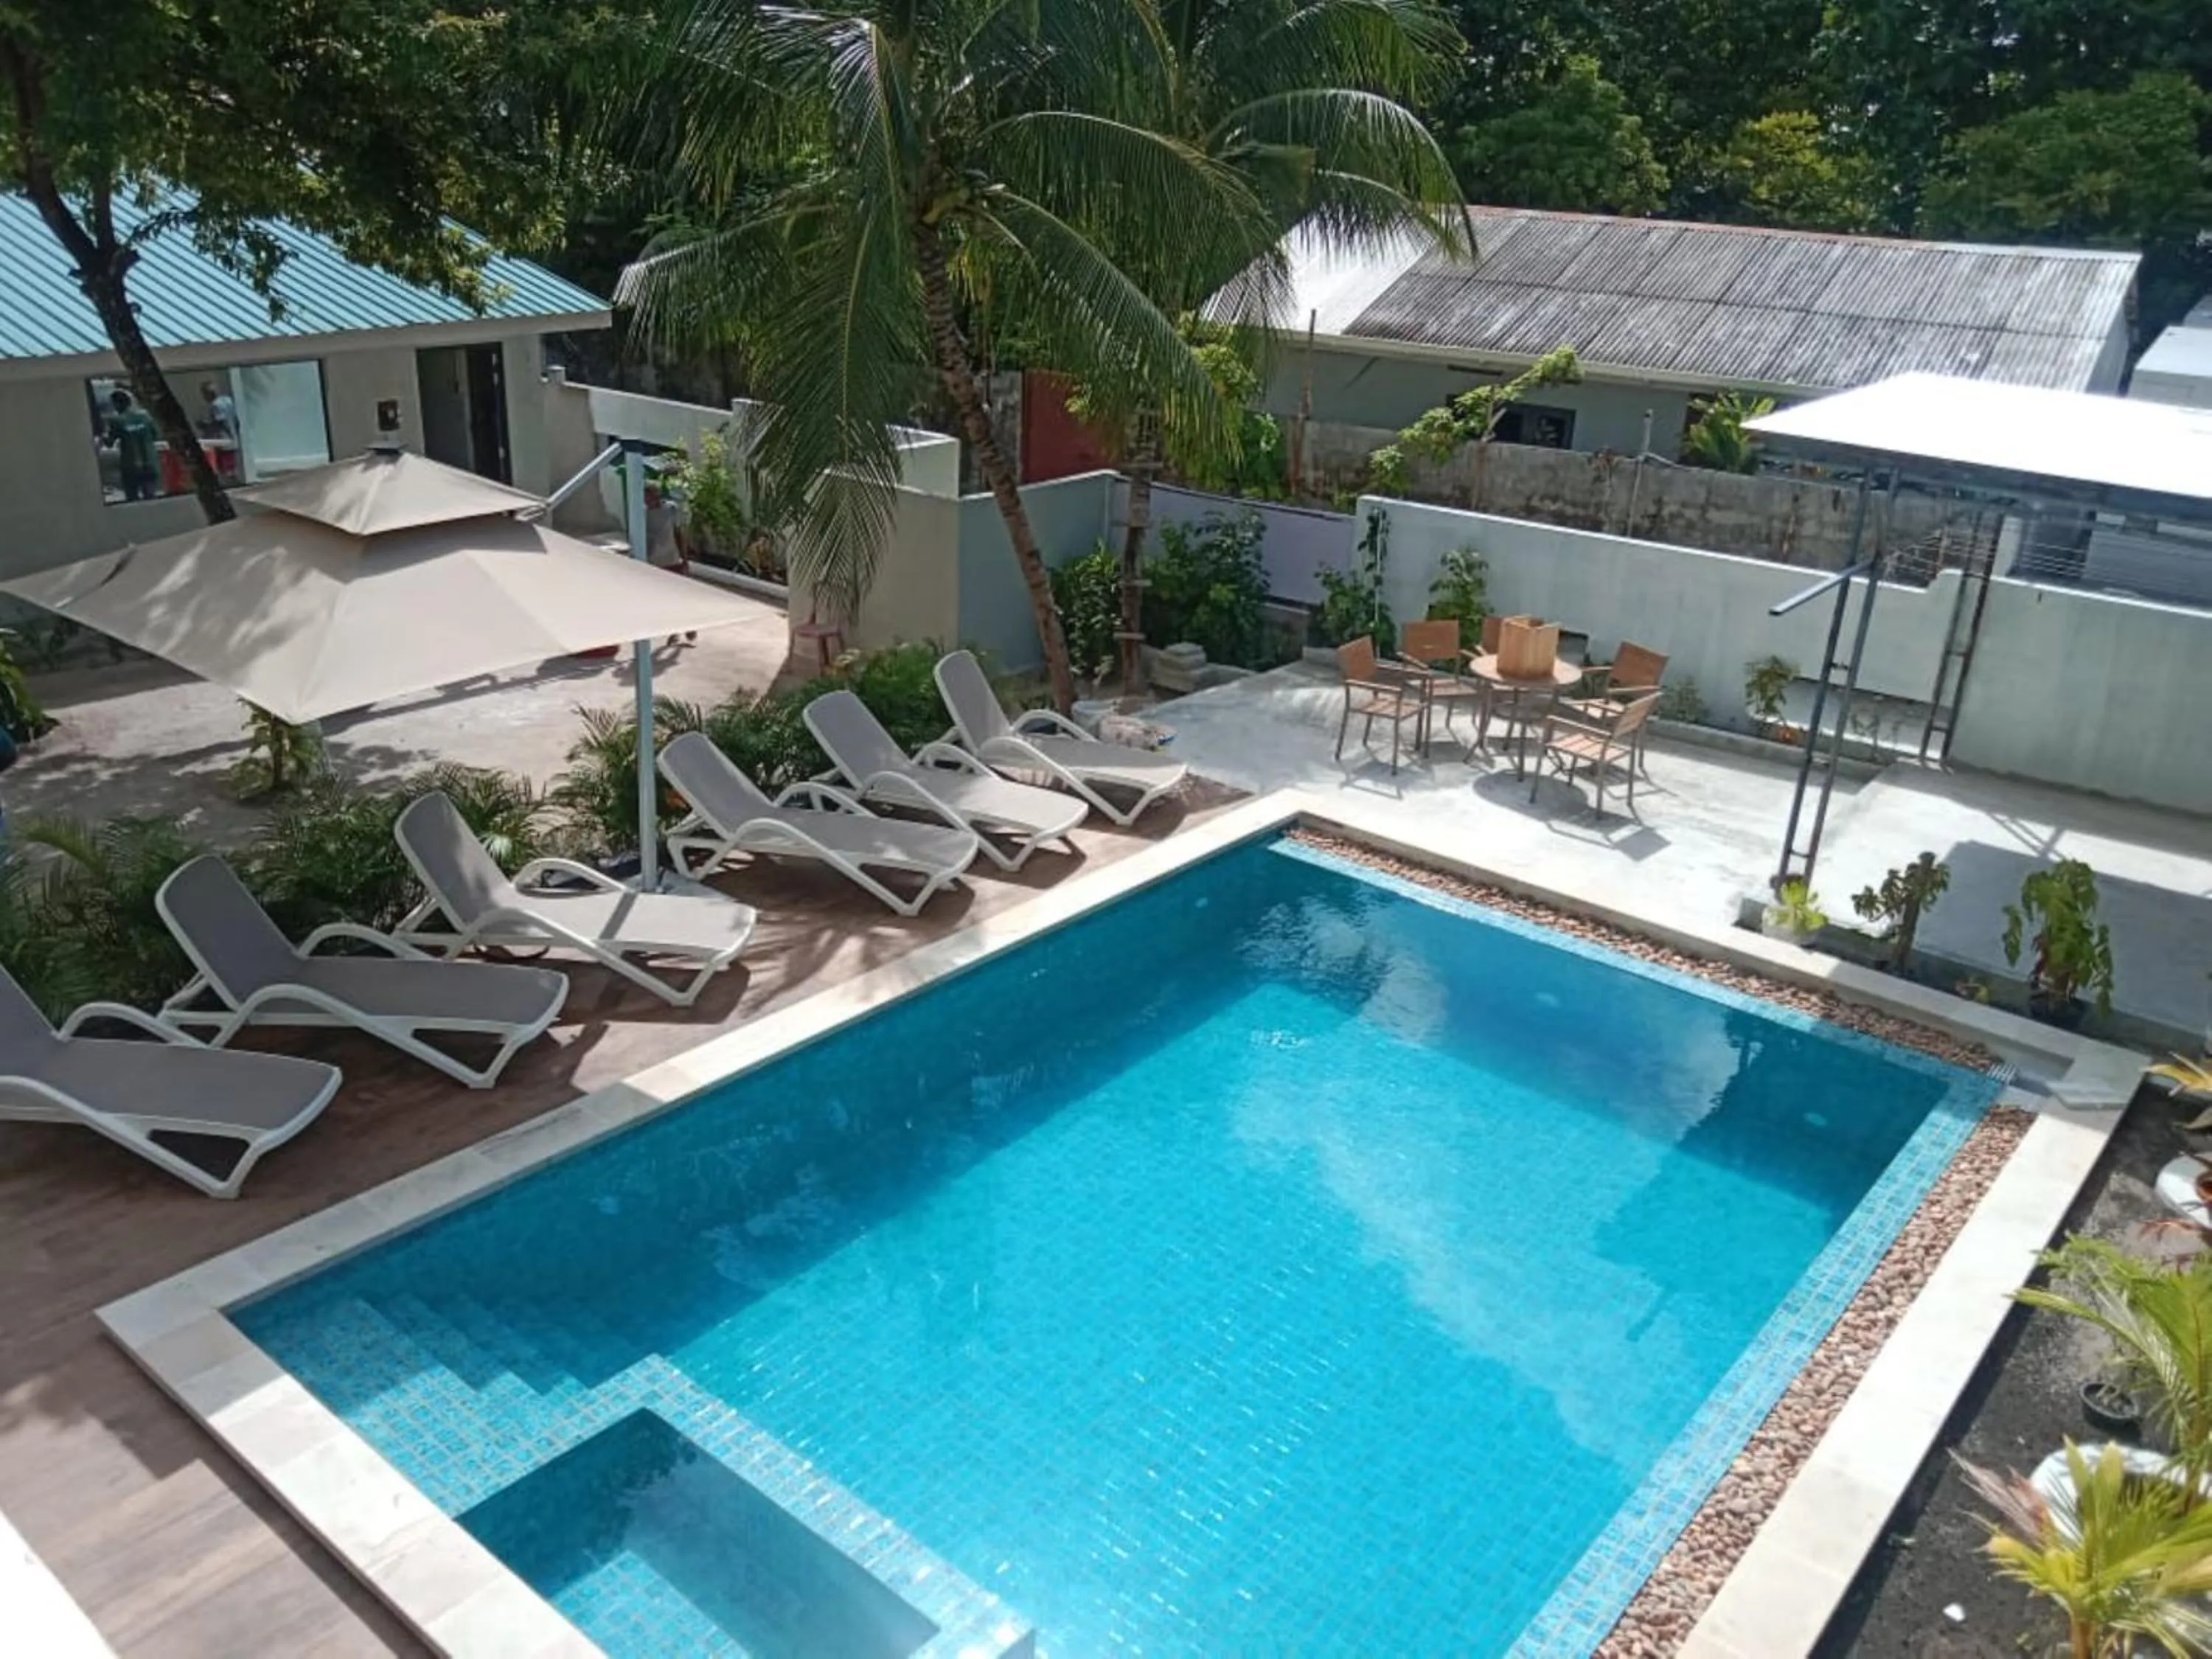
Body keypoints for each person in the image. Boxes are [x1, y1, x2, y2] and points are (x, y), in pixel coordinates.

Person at [644, 481, 697, 646]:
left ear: (657, 496)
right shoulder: (642, 514)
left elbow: (679, 533)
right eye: (646, 498)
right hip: (654, 562)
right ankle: (674, 630)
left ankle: (688, 625)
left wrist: (685, 559)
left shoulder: (670, 510)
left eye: (650, 497)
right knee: (664, 599)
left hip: (672, 559)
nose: (648, 501)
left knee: (680, 596)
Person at [105, 389, 161, 501]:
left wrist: (102, 438)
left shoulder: (116, 420)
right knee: (151, 498)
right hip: (150, 463)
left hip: (130, 466)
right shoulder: (145, 416)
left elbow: (109, 443)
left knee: (132, 500)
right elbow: (156, 435)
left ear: (117, 404)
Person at [198, 379, 237, 444]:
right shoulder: (227, 399)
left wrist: (206, 425)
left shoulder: (214, 406)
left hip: (231, 437)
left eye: (204, 394)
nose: (204, 397)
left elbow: (220, 423)